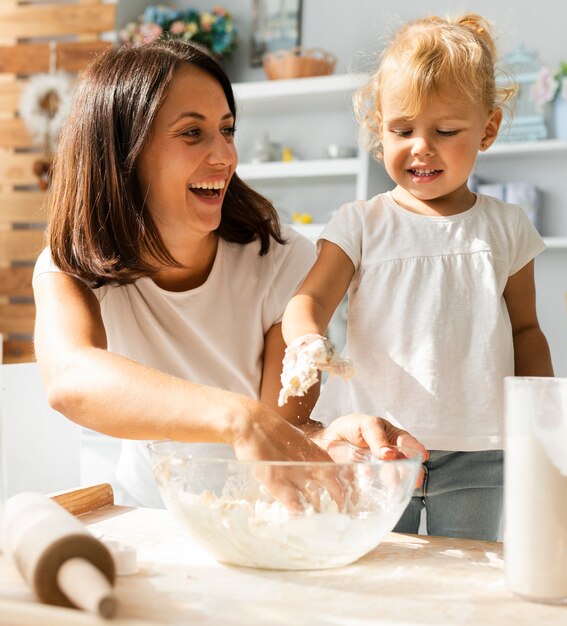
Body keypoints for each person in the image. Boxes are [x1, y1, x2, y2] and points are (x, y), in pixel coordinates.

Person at [32, 39, 425, 508]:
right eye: (192, 133)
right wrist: (238, 418)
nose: (225, 156)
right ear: (122, 153)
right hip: (149, 516)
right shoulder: (73, 265)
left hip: (256, 516)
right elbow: (70, 378)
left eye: (227, 129)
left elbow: (286, 430)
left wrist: (329, 442)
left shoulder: (279, 261)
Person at [280, 14, 554, 540]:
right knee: (378, 574)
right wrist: (307, 339)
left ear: (488, 129)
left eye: (445, 131)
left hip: (480, 452)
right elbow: (307, 300)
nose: (420, 147)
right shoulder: (360, 223)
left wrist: (539, 414)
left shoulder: (507, 226)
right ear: (378, 128)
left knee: (467, 581)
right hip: (376, 446)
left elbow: (525, 330)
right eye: (402, 130)